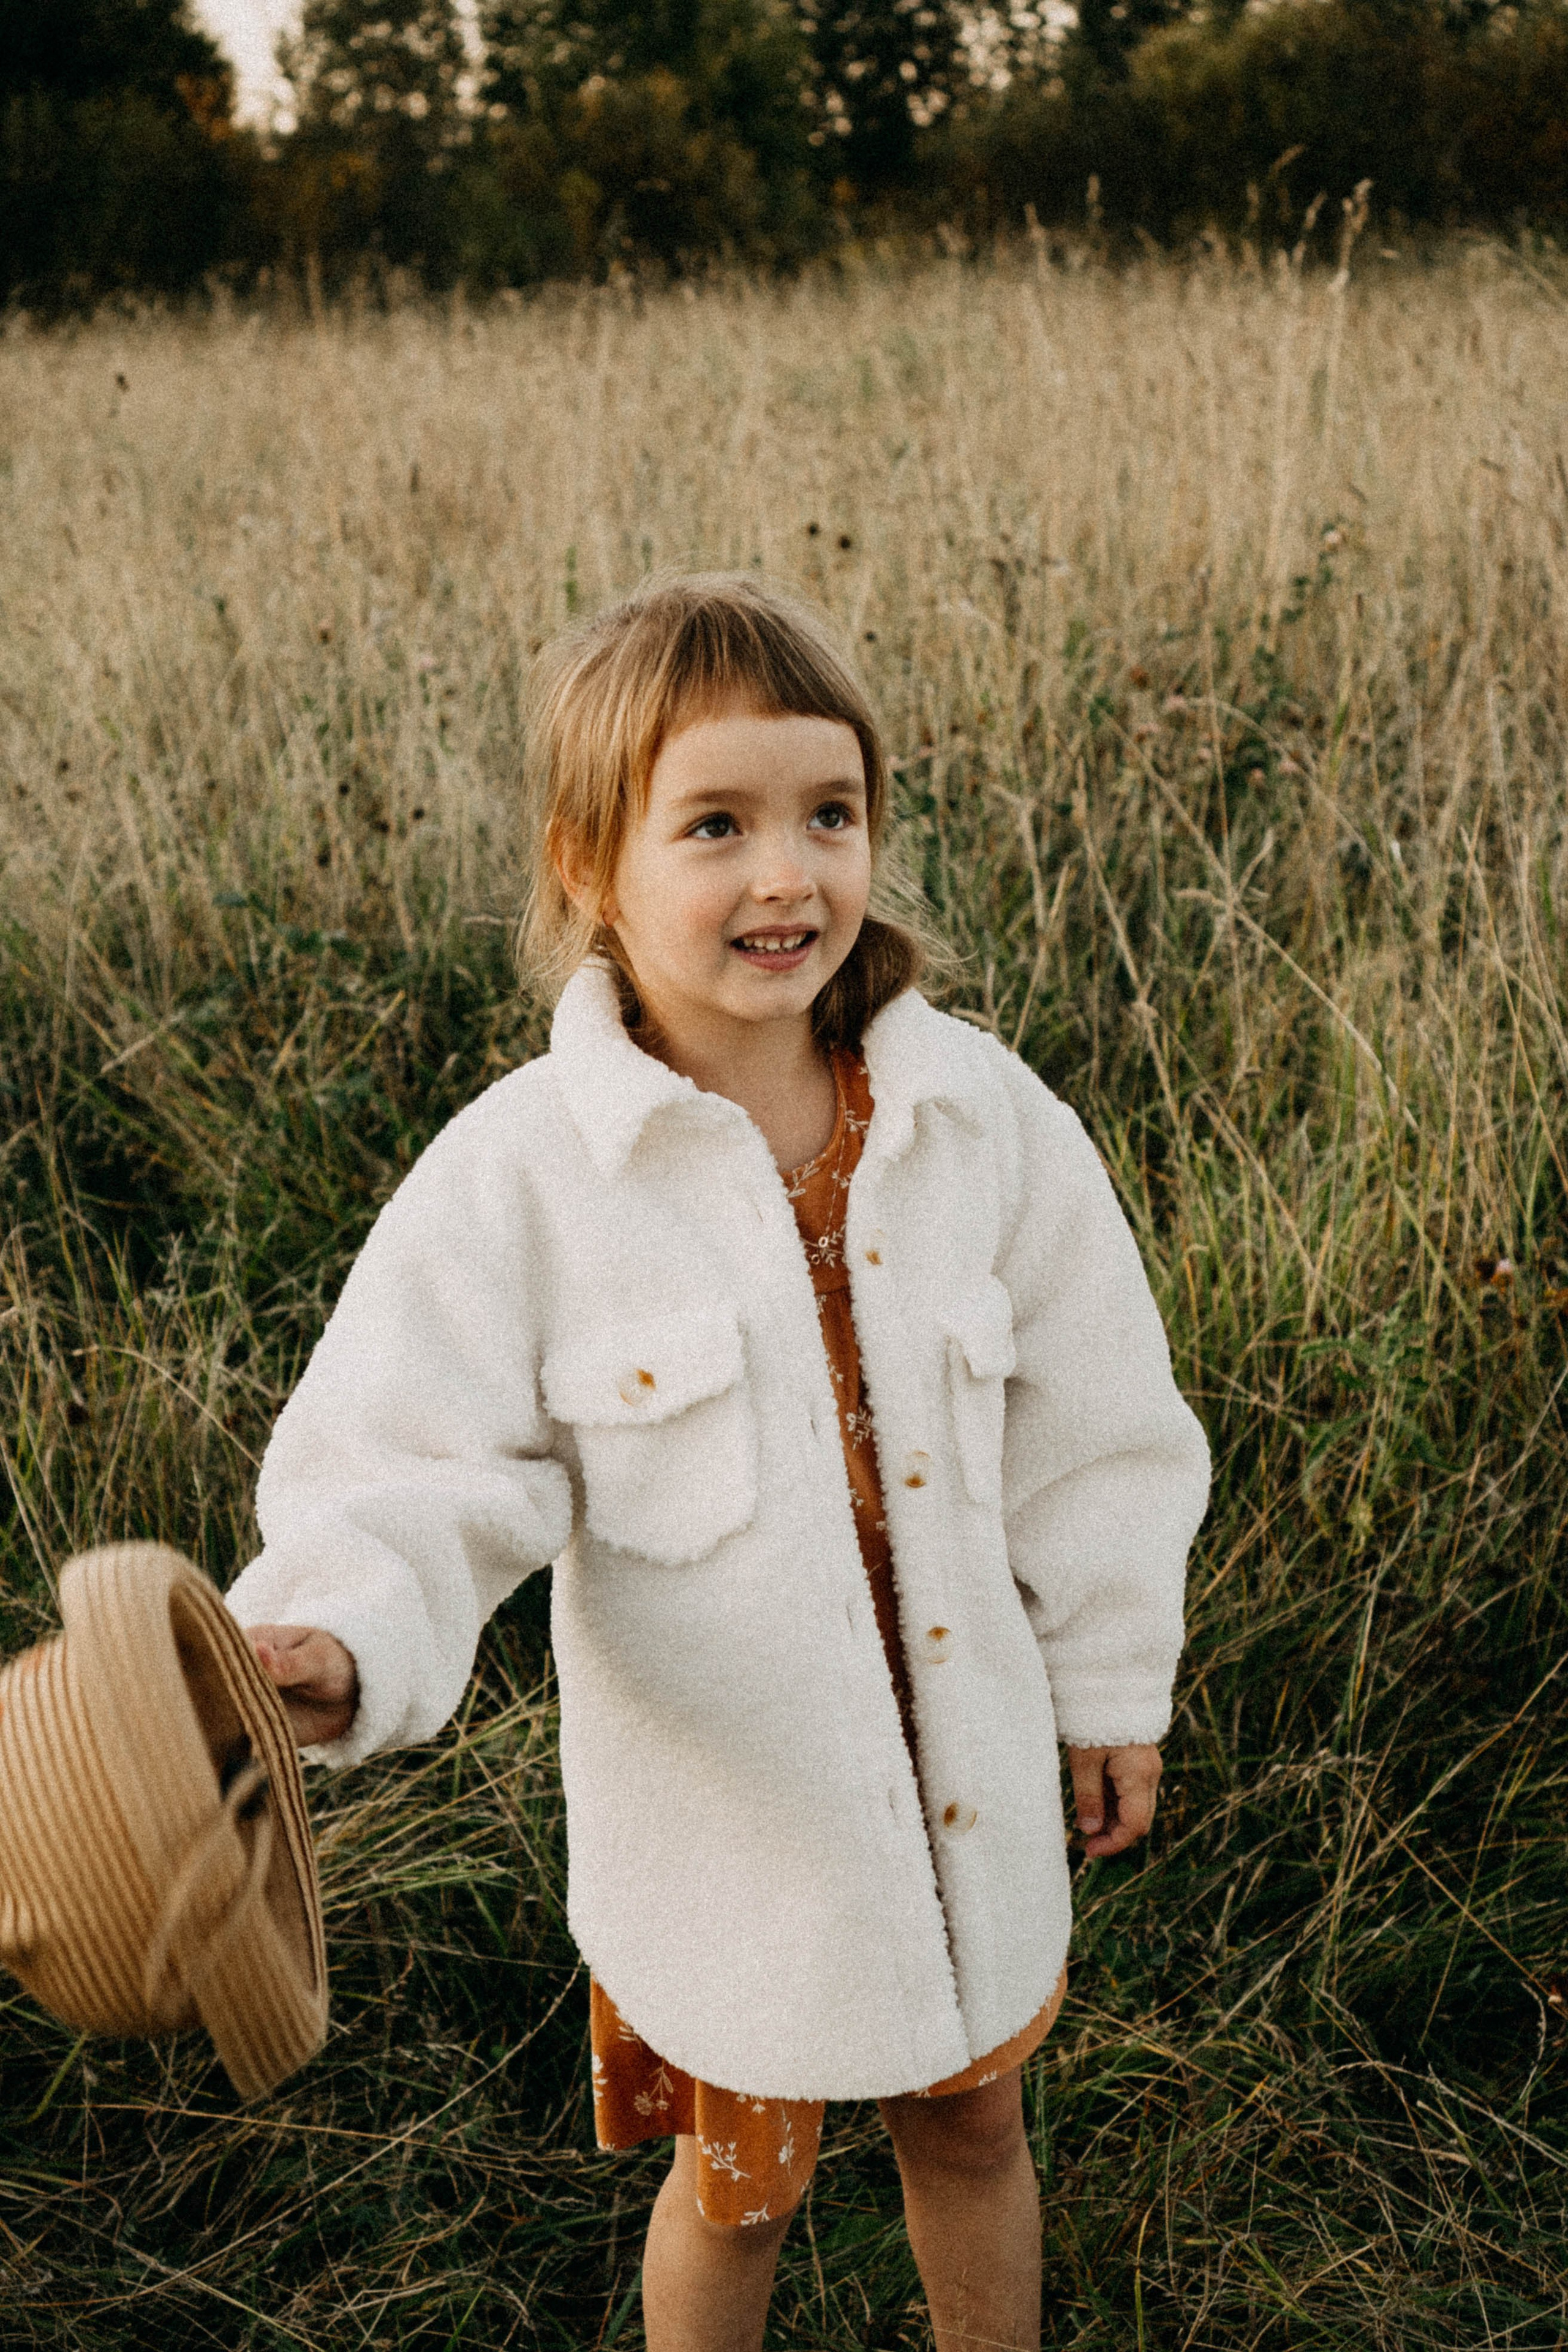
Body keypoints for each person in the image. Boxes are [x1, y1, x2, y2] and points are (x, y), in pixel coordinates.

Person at [228, 571, 1210, 2352]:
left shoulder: (982, 1121)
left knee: (977, 2123)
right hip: (738, 1851)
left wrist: (1110, 1678)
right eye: (718, 825)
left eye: (830, 815)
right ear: (589, 867)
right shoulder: (526, 1178)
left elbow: (1099, 1418)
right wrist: (332, 1635)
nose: (789, 876)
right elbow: (414, 1460)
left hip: (966, 1782)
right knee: (737, 2190)